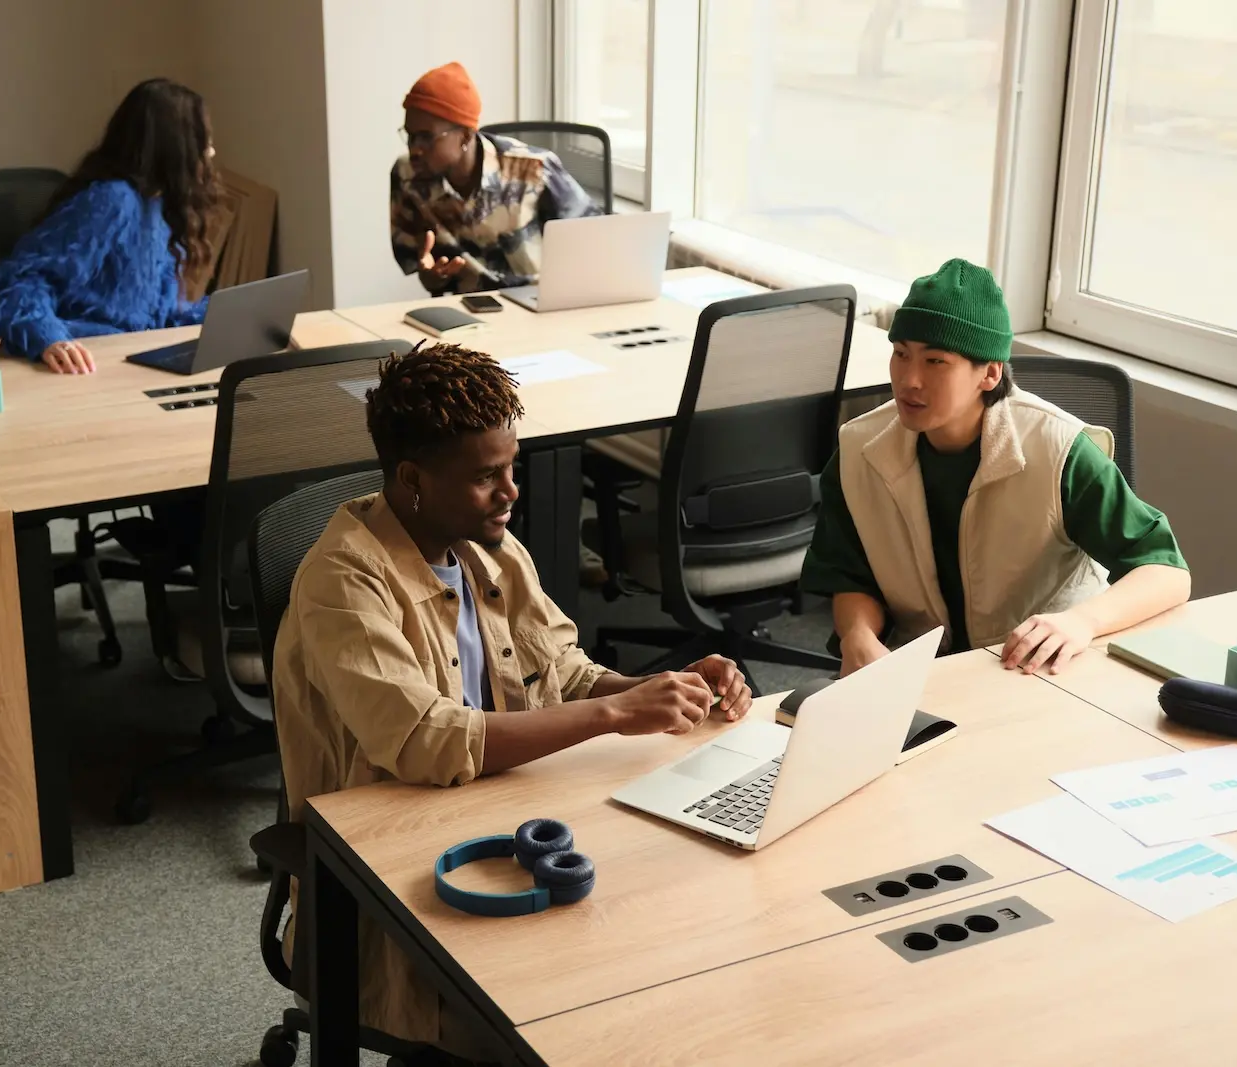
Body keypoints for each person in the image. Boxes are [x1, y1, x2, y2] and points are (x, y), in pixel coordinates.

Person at [273, 342, 754, 1055]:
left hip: (513, 817)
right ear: (411, 479)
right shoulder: (343, 583)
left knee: (670, 942)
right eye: (485, 477)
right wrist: (614, 714)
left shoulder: (486, 547)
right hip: (386, 879)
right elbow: (428, 741)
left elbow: (564, 673)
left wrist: (659, 691)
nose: (511, 492)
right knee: (545, 1026)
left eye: (512, 469)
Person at [800, 258, 1190, 677]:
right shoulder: (859, 448)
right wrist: (857, 634)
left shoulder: (1059, 450)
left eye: (935, 362)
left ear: (989, 373)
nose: (909, 379)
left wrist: (1081, 622)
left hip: (1039, 669)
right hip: (921, 671)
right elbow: (851, 573)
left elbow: (1166, 571)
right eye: (901, 354)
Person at [0, 78, 221, 374]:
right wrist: (49, 339)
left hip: (133, 360)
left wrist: (229, 313)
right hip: (87, 364)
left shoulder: (161, 205)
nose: (209, 152)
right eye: (202, 141)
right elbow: (18, 282)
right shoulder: (112, 200)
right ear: (175, 146)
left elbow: (159, 316)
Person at [391, 62, 600, 296]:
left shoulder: (533, 169)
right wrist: (432, 277)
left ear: (466, 136)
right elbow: (425, 272)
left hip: (535, 303)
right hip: (464, 311)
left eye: (426, 138)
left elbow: (596, 242)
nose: (415, 150)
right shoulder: (407, 176)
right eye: (410, 137)